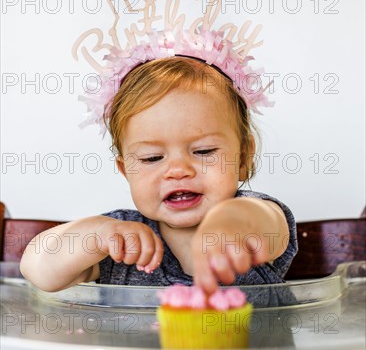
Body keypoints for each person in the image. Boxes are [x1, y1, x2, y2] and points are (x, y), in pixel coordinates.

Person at [20, 29, 298, 294]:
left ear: (243, 157)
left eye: (203, 151)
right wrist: (98, 234)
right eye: (152, 157)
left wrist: (233, 222)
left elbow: (265, 224)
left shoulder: (259, 214)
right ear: (126, 170)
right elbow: (38, 270)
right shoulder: (123, 241)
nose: (178, 171)